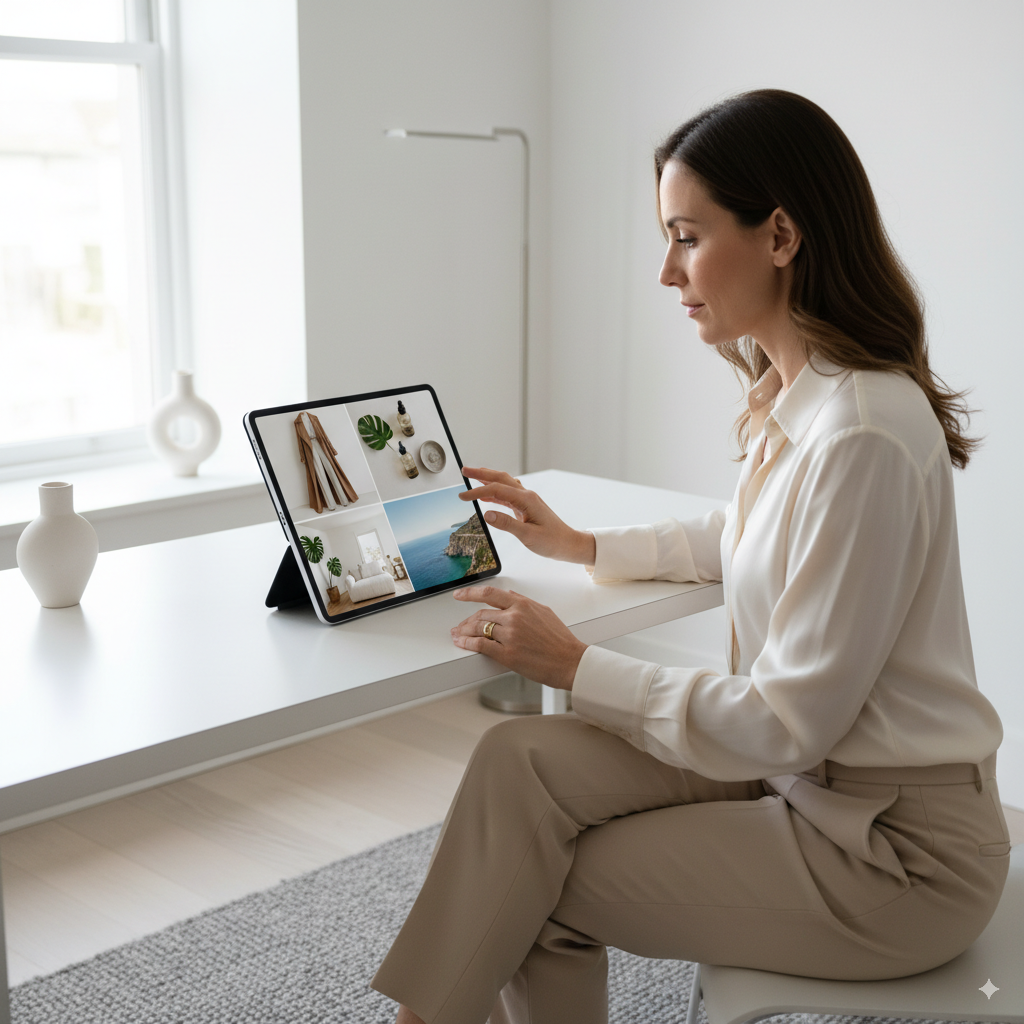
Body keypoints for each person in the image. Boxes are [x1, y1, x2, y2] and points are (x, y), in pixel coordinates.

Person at [371, 89, 1011, 1024]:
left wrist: (578, 665)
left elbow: (790, 721)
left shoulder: (862, 429)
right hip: (812, 780)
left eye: (686, 235)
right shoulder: (802, 393)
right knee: (520, 764)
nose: (667, 272)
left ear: (781, 236)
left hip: (893, 852)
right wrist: (579, 542)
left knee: (533, 883)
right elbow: (741, 534)